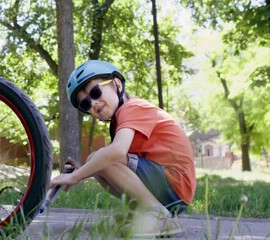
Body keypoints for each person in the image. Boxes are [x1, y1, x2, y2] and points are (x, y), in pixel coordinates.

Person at [50, 60, 196, 238]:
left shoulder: (132, 108)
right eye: (85, 104)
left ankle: (158, 215)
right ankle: (143, 212)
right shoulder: (122, 118)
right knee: (97, 161)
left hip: (174, 182)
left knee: (101, 158)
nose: (93, 103)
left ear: (116, 84)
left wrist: (74, 177)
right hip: (168, 184)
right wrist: (83, 170)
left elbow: (117, 153)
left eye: (95, 92)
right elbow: (114, 162)